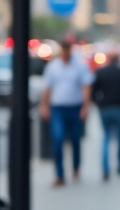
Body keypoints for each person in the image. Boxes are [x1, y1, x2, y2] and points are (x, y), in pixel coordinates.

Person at [39, 39, 92, 186]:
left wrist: (85, 107)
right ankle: (59, 175)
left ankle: (75, 167)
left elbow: (86, 86)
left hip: (75, 107)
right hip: (58, 108)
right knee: (58, 139)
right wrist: (44, 105)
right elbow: (47, 87)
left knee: (75, 140)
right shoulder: (53, 67)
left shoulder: (80, 66)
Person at [92, 54, 120, 180]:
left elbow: (93, 91)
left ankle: (105, 169)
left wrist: (97, 103)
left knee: (106, 137)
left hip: (105, 108)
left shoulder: (101, 72)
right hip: (119, 107)